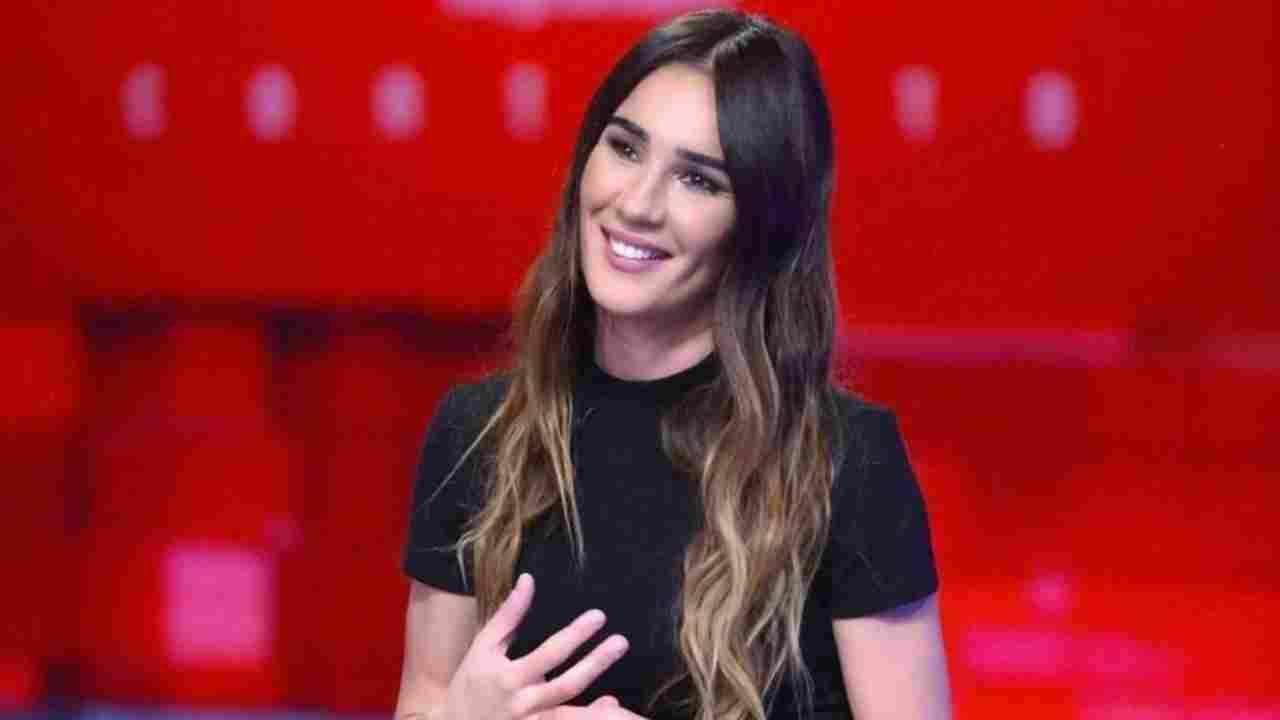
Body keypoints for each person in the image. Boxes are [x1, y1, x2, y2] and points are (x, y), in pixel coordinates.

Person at [395, 9, 951, 720]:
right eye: (625, 148)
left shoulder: (844, 460)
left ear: (760, 224)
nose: (637, 204)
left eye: (697, 180)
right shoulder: (476, 431)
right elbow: (426, 698)